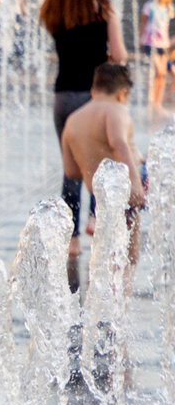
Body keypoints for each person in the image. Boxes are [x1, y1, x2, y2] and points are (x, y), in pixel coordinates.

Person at [40, 0, 126, 241]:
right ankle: (95, 219)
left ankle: (71, 237)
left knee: (71, 167)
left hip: (63, 97)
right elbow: (119, 54)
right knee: (104, 162)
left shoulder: (53, 10)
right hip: (94, 97)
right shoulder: (103, 10)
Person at [61, 62, 145, 274]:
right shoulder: (115, 110)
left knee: (111, 251)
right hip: (127, 186)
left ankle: (106, 295)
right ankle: (123, 296)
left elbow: (71, 172)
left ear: (93, 90)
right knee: (129, 257)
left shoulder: (72, 120)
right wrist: (135, 185)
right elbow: (118, 142)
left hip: (99, 192)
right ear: (122, 94)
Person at [141, 0, 173, 113]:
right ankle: (152, 101)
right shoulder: (149, 6)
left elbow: (167, 26)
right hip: (150, 43)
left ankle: (157, 103)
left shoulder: (169, 8)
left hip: (163, 44)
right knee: (159, 71)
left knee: (163, 74)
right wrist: (141, 38)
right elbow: (143, 22)